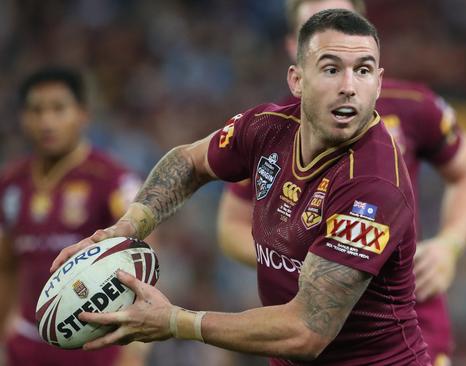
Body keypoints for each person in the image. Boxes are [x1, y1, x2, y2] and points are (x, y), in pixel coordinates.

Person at [51, 9, 431, 365]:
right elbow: (189, 161)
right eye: (331, 69)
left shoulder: (374, 186)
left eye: (363, 71)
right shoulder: (267, 127)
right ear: (297, 80)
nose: (349, 87)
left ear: (379, 83)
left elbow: (306, 331)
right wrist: (127, 228)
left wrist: (176, 322)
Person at [216, 0, 466, 363]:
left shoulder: (412, 105)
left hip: (405, 326)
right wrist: (304, 262)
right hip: (303, 333)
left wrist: (450, 244)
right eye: (316, 28)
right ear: (294, 51)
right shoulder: (274, 128)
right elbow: (230, 225)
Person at [0, 67, 146, 365]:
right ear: (23, 118)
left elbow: (144, 255)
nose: (47, 122)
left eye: (58, 109)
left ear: (83, 114)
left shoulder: (112, 179)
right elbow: (5, 265)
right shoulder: (10, 183)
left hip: (93, 345)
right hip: (26, 345)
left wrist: (136, 349)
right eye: (36, 111)